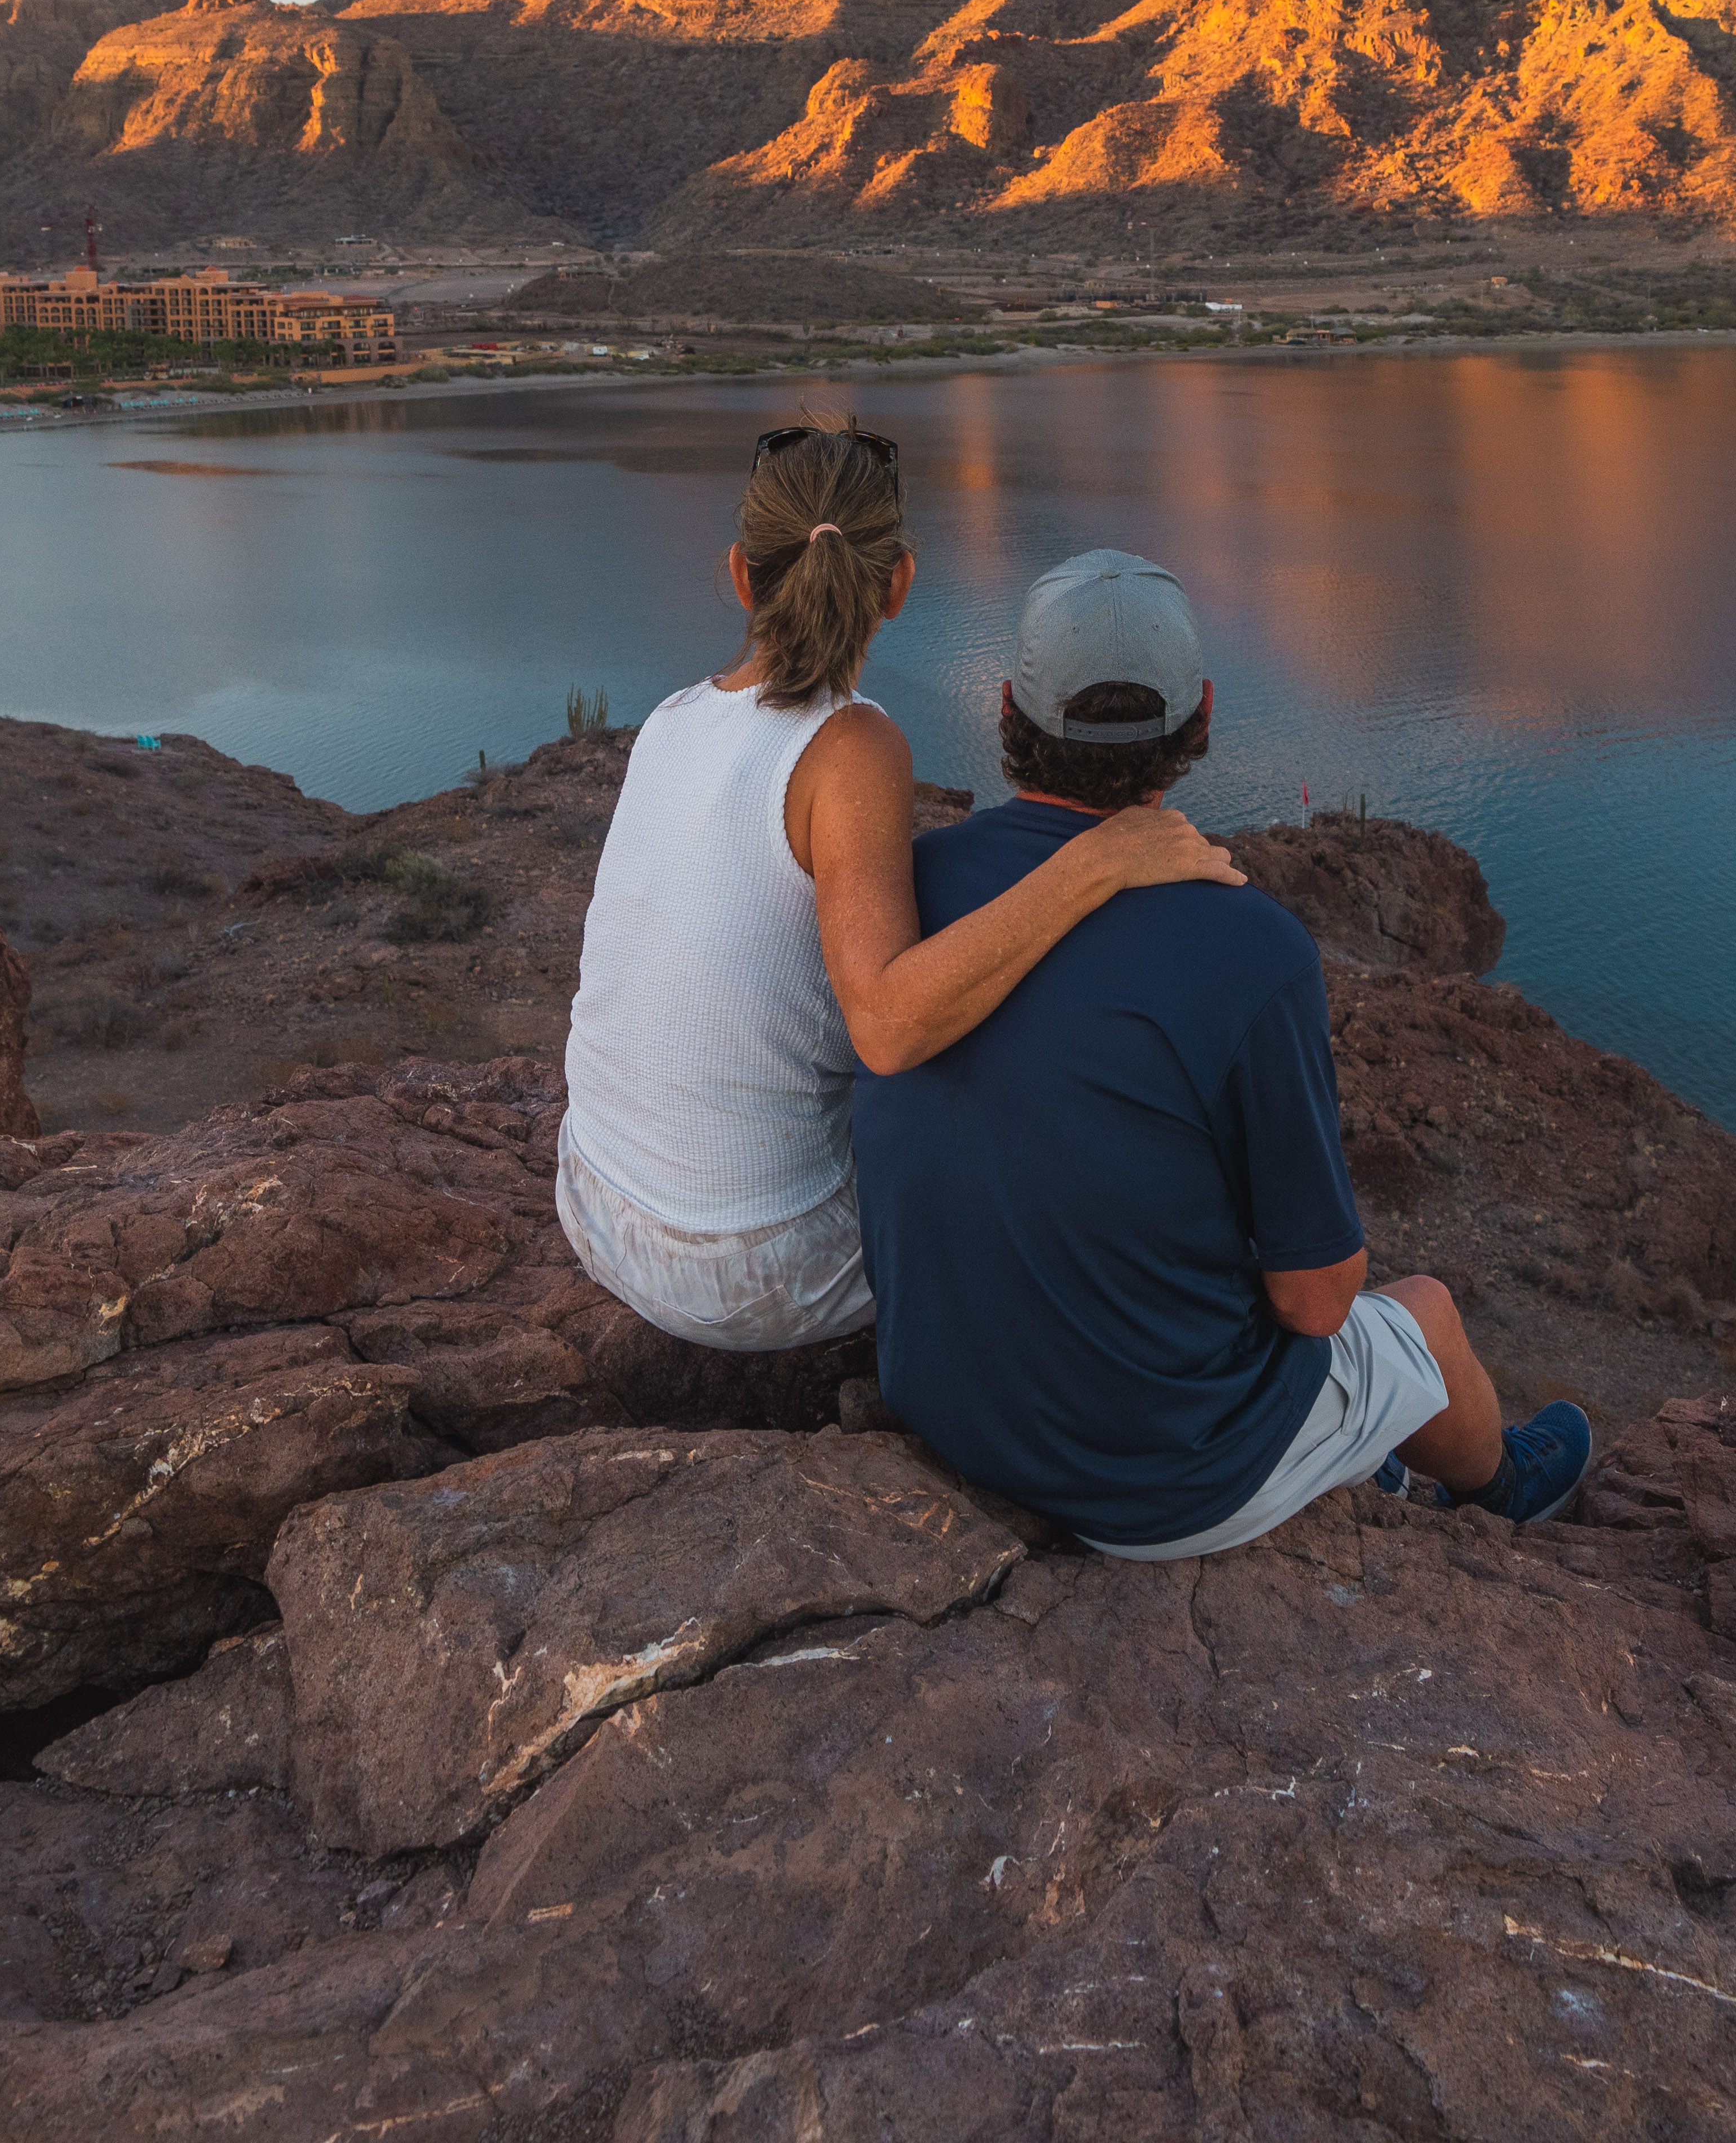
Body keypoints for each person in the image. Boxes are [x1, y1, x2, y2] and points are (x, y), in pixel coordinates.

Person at [853, 547, 1592, 1555]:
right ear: (1201, 716)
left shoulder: (912, 886)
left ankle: (1350, 1449)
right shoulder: (1252, 950)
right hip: (1155, 1484)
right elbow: (1318, 1297)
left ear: (1007, 712)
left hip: (945, 1406)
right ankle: (1509, 1492)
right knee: (1421, 1312)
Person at [554, 422, 1241, 1351]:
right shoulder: (851, 746)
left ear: (742, 574)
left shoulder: (672, 720)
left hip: (592, 1200)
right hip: (752, 1271)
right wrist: (1102, 859)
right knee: (1027, 1128)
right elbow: (885, 1025)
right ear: (901, 584)